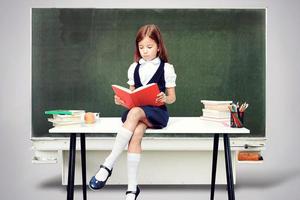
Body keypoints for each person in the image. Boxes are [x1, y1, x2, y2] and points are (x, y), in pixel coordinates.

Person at [89, 24, 177, 200]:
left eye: (149, 47)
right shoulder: (133, 67)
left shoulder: (166, 68)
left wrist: (164, 98)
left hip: (157, 112)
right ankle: (132, 189)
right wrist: (122, 100)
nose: (145, 51)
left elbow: (172, 97)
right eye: (141, 47)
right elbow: (132, 95)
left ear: (159, 46)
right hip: (136, 114)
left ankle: (108, 164)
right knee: (136, 134)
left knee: (136, 112)